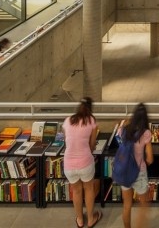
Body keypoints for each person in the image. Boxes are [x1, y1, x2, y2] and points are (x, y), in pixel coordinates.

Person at [63, 97, 102, 228]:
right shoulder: (91, 121)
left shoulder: (68, 120)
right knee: (89, 189)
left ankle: (80, 220)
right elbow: (91, 145)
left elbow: (67, 141)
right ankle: (91, 219)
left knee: (76, 191)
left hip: (68, 163)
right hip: (85, 161)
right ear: (90, 108)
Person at [121, 103, 154, 228]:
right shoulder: (145, 133)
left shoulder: (124, 129)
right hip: (139, 172)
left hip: (125, 171)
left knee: (127, 205)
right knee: (143, 206)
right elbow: (150, 159)